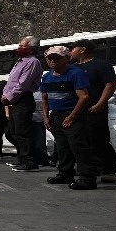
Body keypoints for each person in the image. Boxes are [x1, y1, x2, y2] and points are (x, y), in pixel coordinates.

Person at [40, 46, 96, 190]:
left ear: (66, 58)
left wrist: (72, 116)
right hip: (56, 115)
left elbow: (83, 97)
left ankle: (87, 178)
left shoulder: (75, 73)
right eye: (50, 58)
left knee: (78, 147)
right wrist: (46, 117)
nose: (53, 61)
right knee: (62, 147)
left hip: (71, 114)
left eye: (57, 58)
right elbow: (45, 99)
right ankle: (65, 173)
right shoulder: (47, 76)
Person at [69, 38, 116, 182]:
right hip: (78, 108)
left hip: (95, 106)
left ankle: (107, 169)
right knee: (81, 139)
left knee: (98, 139)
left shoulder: (101, 65)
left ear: (82, 49)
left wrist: (101, 103)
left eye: (73, 48)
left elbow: (110, 84)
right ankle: (89, 168)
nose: (71, 51)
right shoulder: (73, 68)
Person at [2, 36, 44, 172]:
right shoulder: (19, 62)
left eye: (22, 46)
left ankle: (29, 161)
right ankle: (22, 158)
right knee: (12, 131)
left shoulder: (32, 62)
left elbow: (23, 84)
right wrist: (5, 94)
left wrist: (8, 96)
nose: (19, 48)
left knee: (22, 132)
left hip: (23, 99)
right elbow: (11, 82)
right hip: (14, 100)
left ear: (31, 49)